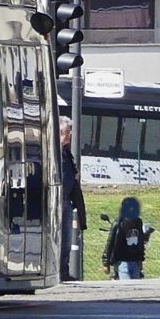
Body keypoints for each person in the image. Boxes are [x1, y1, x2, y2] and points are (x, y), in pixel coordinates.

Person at [59, 120, 86, 280]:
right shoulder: (54, 153)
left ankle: (64, 270)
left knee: (67, 239)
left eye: (69, 133)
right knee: (60, 238)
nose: (68, 136)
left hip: (66, 201)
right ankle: (59, 270)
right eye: (66, 133)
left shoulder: (66, 153)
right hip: (57, 200)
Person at [101, 196, 150, 280]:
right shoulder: (119, 223)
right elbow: (110, 243)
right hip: (122, 261)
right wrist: (106, 263)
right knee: (126, 284)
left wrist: (140, 259)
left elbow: (140, 242)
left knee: (136, 285)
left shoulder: (138, 222)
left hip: (134, 260)